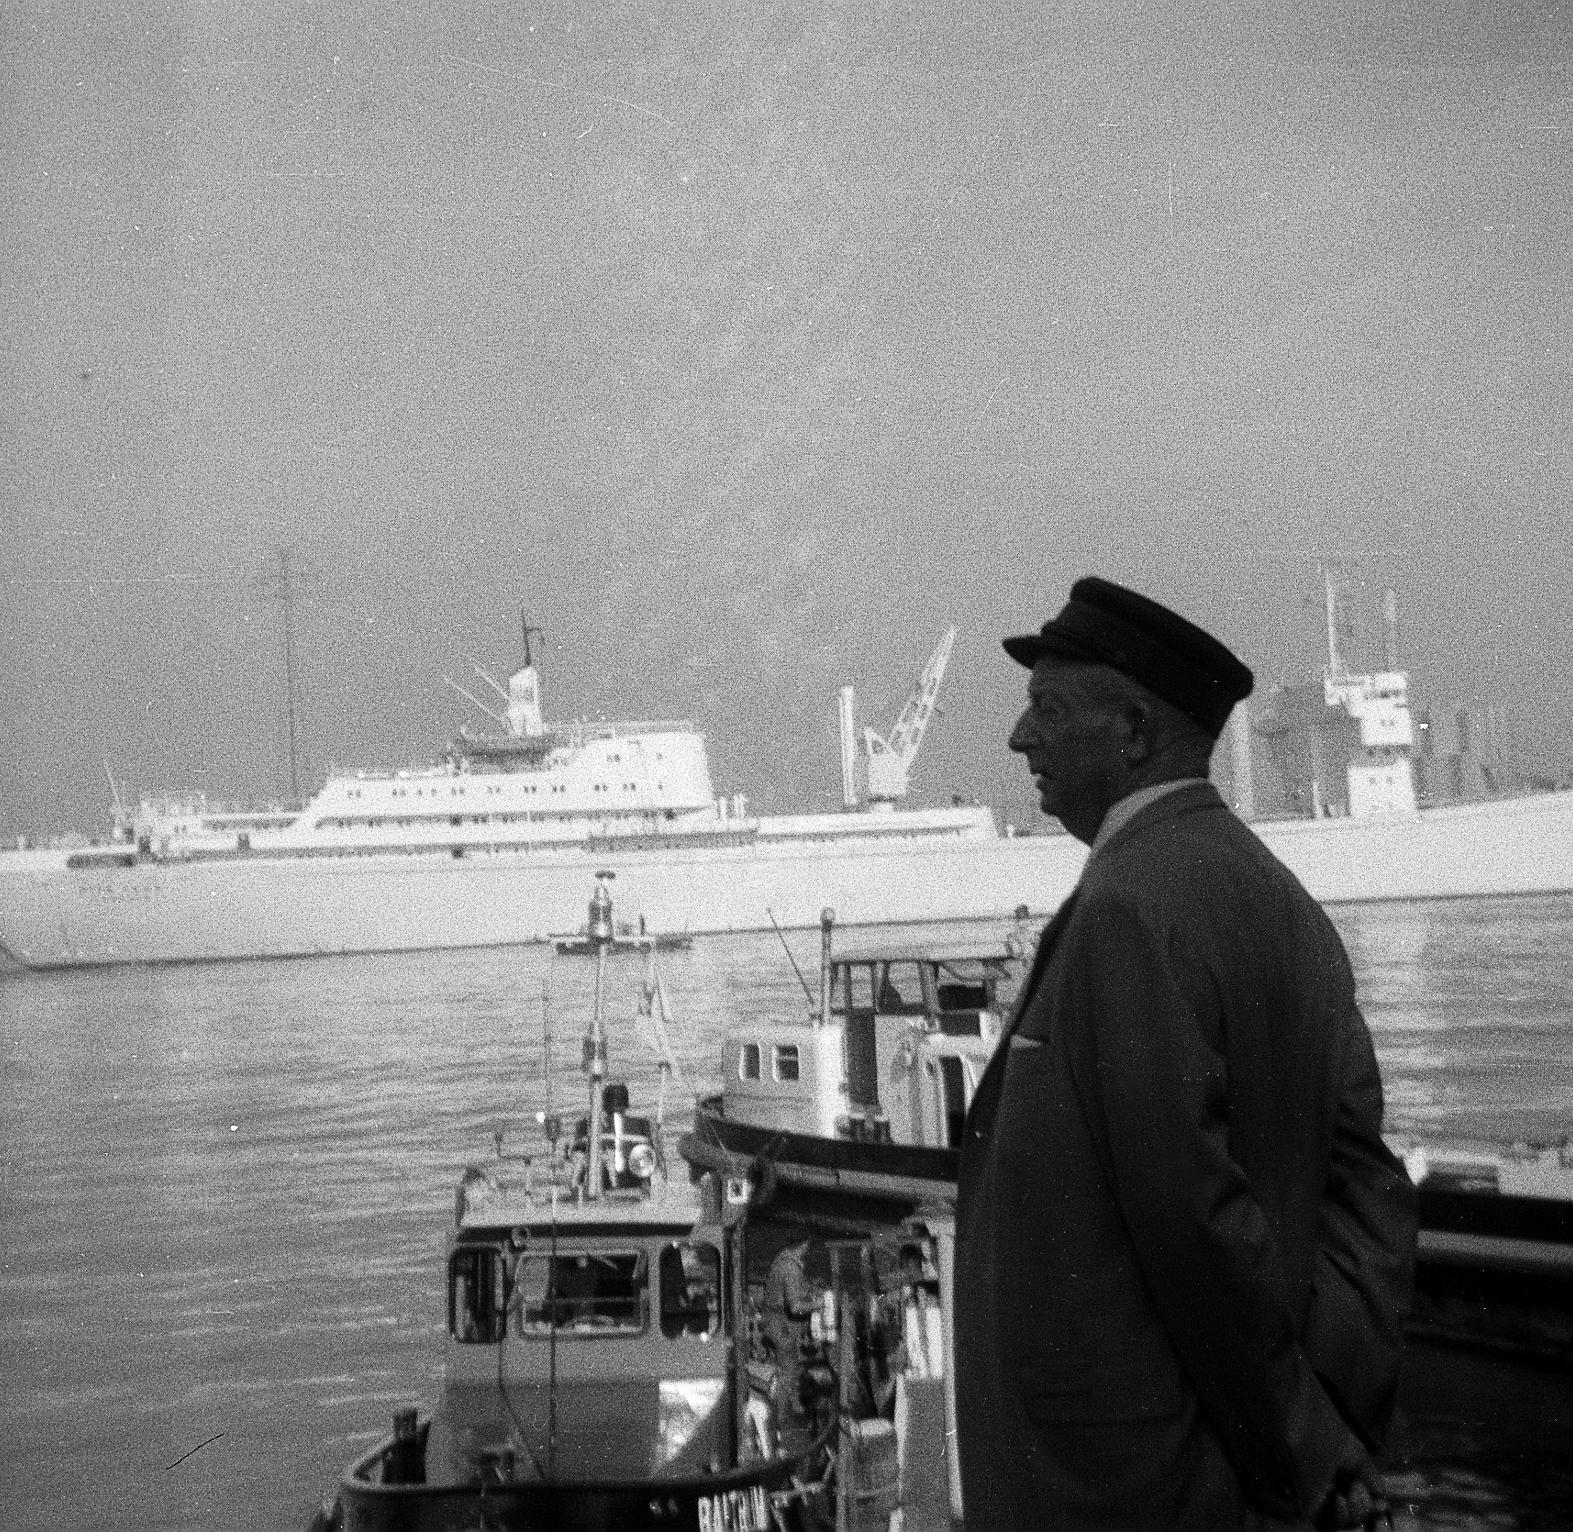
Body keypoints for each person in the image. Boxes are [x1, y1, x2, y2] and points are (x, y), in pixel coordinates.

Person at [955, 577, 1417, 1531]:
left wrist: (1302, 1440)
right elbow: (1366, 1192)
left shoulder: (1128, 911)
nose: (1017, 740)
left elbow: (1193, 1218)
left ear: (1130, 730)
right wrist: (1331, 1415)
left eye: (1045, 711)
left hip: (1124, 1487)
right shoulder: (1280, 900)